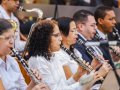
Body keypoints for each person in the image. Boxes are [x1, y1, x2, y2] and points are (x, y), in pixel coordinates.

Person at [0, 18, 49, 90]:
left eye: (13, 37)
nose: (11, 42)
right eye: (7, 38)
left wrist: (33, 82)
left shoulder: (12, 61)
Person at [73, 9, 112, 89]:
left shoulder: (93, 39)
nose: (96, 28)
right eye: (92, 25)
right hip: (94, 85)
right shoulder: (76, 44)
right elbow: (86, 70)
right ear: (81, 26)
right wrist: (101, 71)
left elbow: (107, 59)